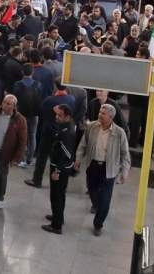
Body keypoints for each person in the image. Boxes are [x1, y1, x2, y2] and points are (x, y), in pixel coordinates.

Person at [75, 104, 131, 236]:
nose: (99, 115)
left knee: (105, 200)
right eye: (100, 112)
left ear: (111, 117)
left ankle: (98, 224)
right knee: (93, 192)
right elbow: (83, 145)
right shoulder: (92, 127)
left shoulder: (119, 133)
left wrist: (125, 172)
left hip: (109, 170)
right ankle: (97, 205)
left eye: (103, 113)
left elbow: (125, 154)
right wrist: (78, 159)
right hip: (93, 166)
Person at [25, 82, 76, 188]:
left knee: (42, 156)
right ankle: (59, 182)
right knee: (62, 157)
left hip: (48, 132)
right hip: (63, 132)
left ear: (55, 86)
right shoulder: (71, 99)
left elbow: (41, 111)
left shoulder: (49, 100)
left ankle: (37, 180)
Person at [42, 104, 77, 234]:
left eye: (60, 115)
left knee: (56, 195)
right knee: (59, 195)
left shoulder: (66, 132)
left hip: (60, 168)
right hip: (59, 165)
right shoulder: (65, 126)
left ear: (67, 116)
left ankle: (56, 226)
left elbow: (66, 154)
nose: (56, 117)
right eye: (56, 114)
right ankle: (58, 217)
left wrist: (57, 171)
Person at [12, 64, 42, 168]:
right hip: (34, 114)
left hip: (21, 114)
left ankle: (21, 159)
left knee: (21, 136)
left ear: (22, 72)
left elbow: (15, 100)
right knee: (32, 135)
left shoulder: (17, 84)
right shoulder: (38, 84)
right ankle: (29, 159)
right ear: (32, 72)